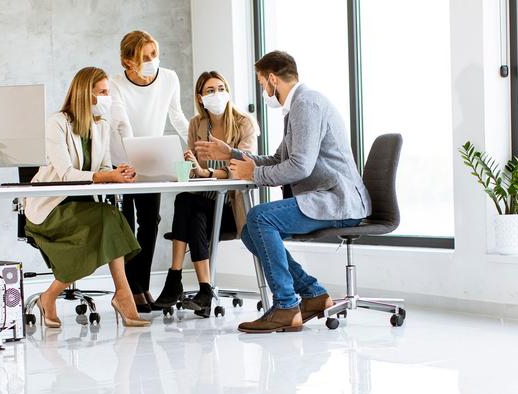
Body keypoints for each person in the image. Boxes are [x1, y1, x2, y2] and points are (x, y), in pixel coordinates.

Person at [195, 51, 371, 334]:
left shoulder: (306, 105)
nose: (263, 90)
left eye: (262, 83)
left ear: (273, 79)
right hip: (325, 198)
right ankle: (312, 293)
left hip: (338, 201)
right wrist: (232, 153)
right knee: (250, 231)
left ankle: (286, 305)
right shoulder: (298, 108)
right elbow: (279, 160)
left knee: (259, 218)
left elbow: (300, 166)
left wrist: (252, 173)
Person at [24, 66, 149, 329]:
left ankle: (53, 296)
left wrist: (119, 172)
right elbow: (67, 173)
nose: (107, 98)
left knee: (109, 220)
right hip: (51, 209)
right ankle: (122, 296)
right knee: (110, 219)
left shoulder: (101, 127)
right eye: (102, 92)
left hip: (83, 206)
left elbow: (102, 168)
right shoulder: (57, 123)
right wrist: (108, 177)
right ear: (85, 94)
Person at [153, 71, 257, 316]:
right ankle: (204, 290)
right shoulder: (196, 125)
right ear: (200, 98)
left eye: (221, 88)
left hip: (231, 208)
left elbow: (240, 170)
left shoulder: (244, 123)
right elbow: (191, 172)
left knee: (188, 204)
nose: (217, 94)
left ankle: (174, 278)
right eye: (210, 90)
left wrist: (206, 173)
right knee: (190, 206)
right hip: (203, 204)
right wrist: (184, 165)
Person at [109, 30, 191, 314]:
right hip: (121, 162)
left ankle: (140, 286)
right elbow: (122, 124)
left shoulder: (168, 78)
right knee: (125, 225)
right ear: (127, 61)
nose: (151, 60)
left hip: (152, 160)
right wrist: (131, 154)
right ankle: (129, 291)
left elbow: (177, 115)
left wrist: (195, 143)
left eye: (154, 54)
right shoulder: (116, 85)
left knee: (150, 221)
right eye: (144, 57)